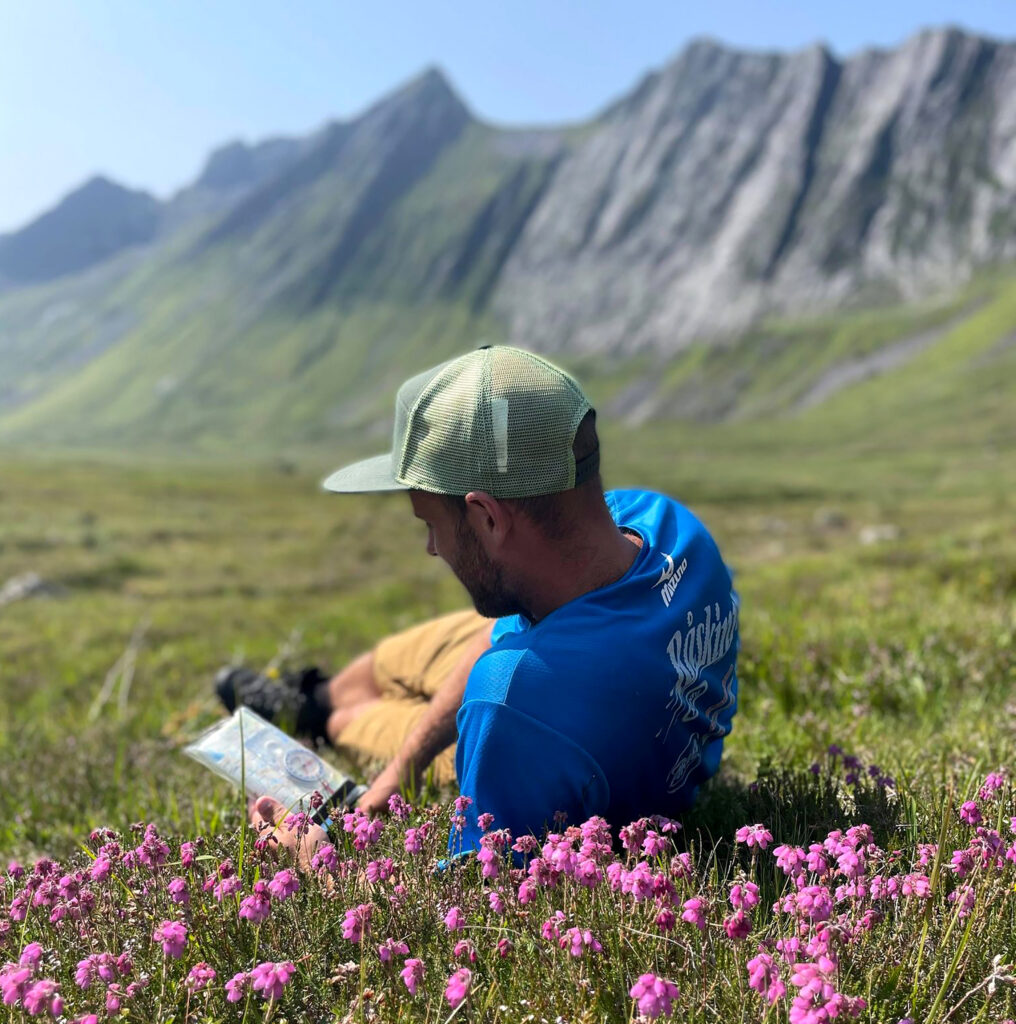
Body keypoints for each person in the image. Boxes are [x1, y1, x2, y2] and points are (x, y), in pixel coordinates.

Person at [230, 345, 739, 859]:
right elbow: (507, 640)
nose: (432, 547)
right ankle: (312, 698)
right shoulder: (666, 523)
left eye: (431, 523)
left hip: (538, 735)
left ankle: (325, 718)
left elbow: (463, 910)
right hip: (560, 691)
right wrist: (398, 774)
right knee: (422, 655)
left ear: (489, 518)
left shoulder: (512, 707)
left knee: (353, 716)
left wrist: (310, 856)